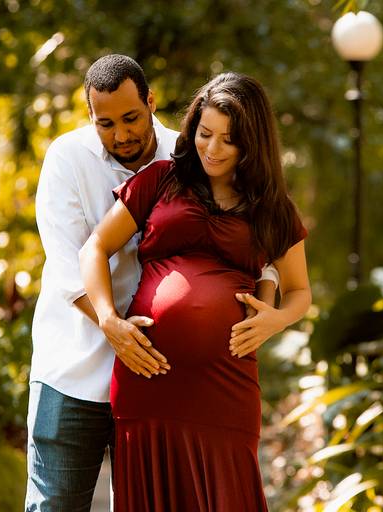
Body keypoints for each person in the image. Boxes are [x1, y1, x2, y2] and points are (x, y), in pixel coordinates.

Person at [26, 55, 278, 511]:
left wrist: (266, 305)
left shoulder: (190, 153)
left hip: (165, 383)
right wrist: (112, 325)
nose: (121, 134)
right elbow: (69, 266)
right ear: (89, 115)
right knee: (54, 505)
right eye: (105, 124)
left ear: (151, 102)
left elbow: (255, 235)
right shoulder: (66, 158)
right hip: (73, 371)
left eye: (131, 118)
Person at [79, 72, 312, 510]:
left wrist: (277, 319)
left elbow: (300, 290)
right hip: (147, 382)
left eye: (229, 139)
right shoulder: (160, 180)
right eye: (205, 133)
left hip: (225, 389)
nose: (212, 148)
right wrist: (109, 319)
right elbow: (95, 248)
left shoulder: (272, 209)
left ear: (252, 143)